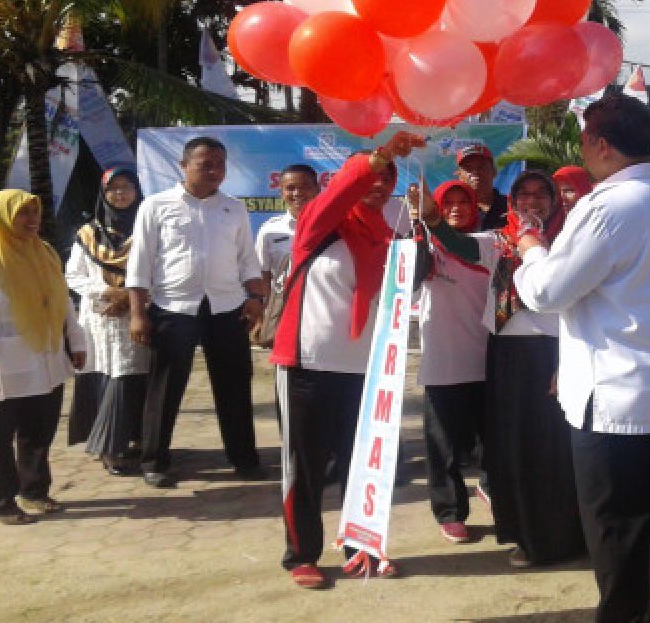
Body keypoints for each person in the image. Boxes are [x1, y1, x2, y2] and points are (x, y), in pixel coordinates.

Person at [514, 94, 650, 622]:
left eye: (583, 139)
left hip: (619, 397)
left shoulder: (608, 207)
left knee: (617, 531)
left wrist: (530, 246)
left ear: (600, 145)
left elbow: (549, 292)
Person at [271, 132, 425, 588]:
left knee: (363, 464)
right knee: (305, 465)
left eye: (386, 177)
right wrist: (375, 157)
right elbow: (339, 194)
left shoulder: (391, 235)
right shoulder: (318, 223)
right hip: (308, 363)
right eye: (371, 175)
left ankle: (362, 548)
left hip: (366, 368)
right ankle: (302, 554)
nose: (378, 182)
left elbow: (408, 288)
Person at [412, 170, 585, 569]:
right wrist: (433, 219)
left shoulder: (570, 241)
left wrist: (568, 361)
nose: (532, 202)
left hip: (555, 354)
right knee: (512, 450)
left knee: (554, 449)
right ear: (513, 202)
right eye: (523, 196)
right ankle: (525, 535)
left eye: (541, 195)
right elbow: (460, 246)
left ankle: (565, 534)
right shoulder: (499, 240)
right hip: (506, 354)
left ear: (555, 200)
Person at [126, 136, 266, 488]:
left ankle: (244, 459)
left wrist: (255, 298)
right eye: (205, 164)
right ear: (184, 166)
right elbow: (140, 264)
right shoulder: (156, 206)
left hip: (226, 308)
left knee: (234, 386)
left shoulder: (233, 208)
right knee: (165, 387)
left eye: (220, 164)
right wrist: (138, 313)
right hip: (173, 308)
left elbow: (247, 259)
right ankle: (155, 460)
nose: (214, 170)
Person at [0, 190, 87, 524]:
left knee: (39, 430)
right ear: (3, 216)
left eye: (35, 212)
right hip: (5, 366)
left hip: (47, 357)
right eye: (23, 213)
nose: (32, 220)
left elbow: (61, 302)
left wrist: (76, 341)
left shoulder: (44, 253)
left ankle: (34, 490)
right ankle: (0, 501)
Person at [413, 180, 491, 545]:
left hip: (487, 362)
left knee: (494, 443)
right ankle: (450, 512)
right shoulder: (424, 245)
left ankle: (491, 489)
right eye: (449, 203)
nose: (457, 208)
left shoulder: (490, 242)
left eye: (464, 202)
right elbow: (407, 280)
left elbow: (463, 249)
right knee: (442, 449)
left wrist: (432, 222)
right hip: (442, 363)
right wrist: (417, 231)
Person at [64, 169, 150, 475]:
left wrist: (129, 296)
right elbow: (73, 275)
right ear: (104, 194)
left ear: (137, 191)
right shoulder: (88, 234)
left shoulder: (148, 229)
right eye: (114, 189)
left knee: (133, 377)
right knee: (107, 378)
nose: (121, 194)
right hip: (101, 317)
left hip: (138, 313)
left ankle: (139, 441)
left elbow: (163, 270)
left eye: (127, 187)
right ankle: (109, 448)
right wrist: (107, 292)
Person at [253, 165, 321, 348]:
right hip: (284, 310)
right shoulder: (269, 230)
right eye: (290, 188)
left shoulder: (334, 226)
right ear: (281, 192)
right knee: (286, 369)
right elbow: (263, 276)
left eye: (305, 186)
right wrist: (264, 316)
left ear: (318, 189)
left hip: (322, 309)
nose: (297, 193)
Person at [455, 144, 509, 231]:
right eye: (468, 168)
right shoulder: (452, 211)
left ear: (494, 171)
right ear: (459, 175)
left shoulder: (511, 207)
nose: (475, 172)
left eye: (482, 167)